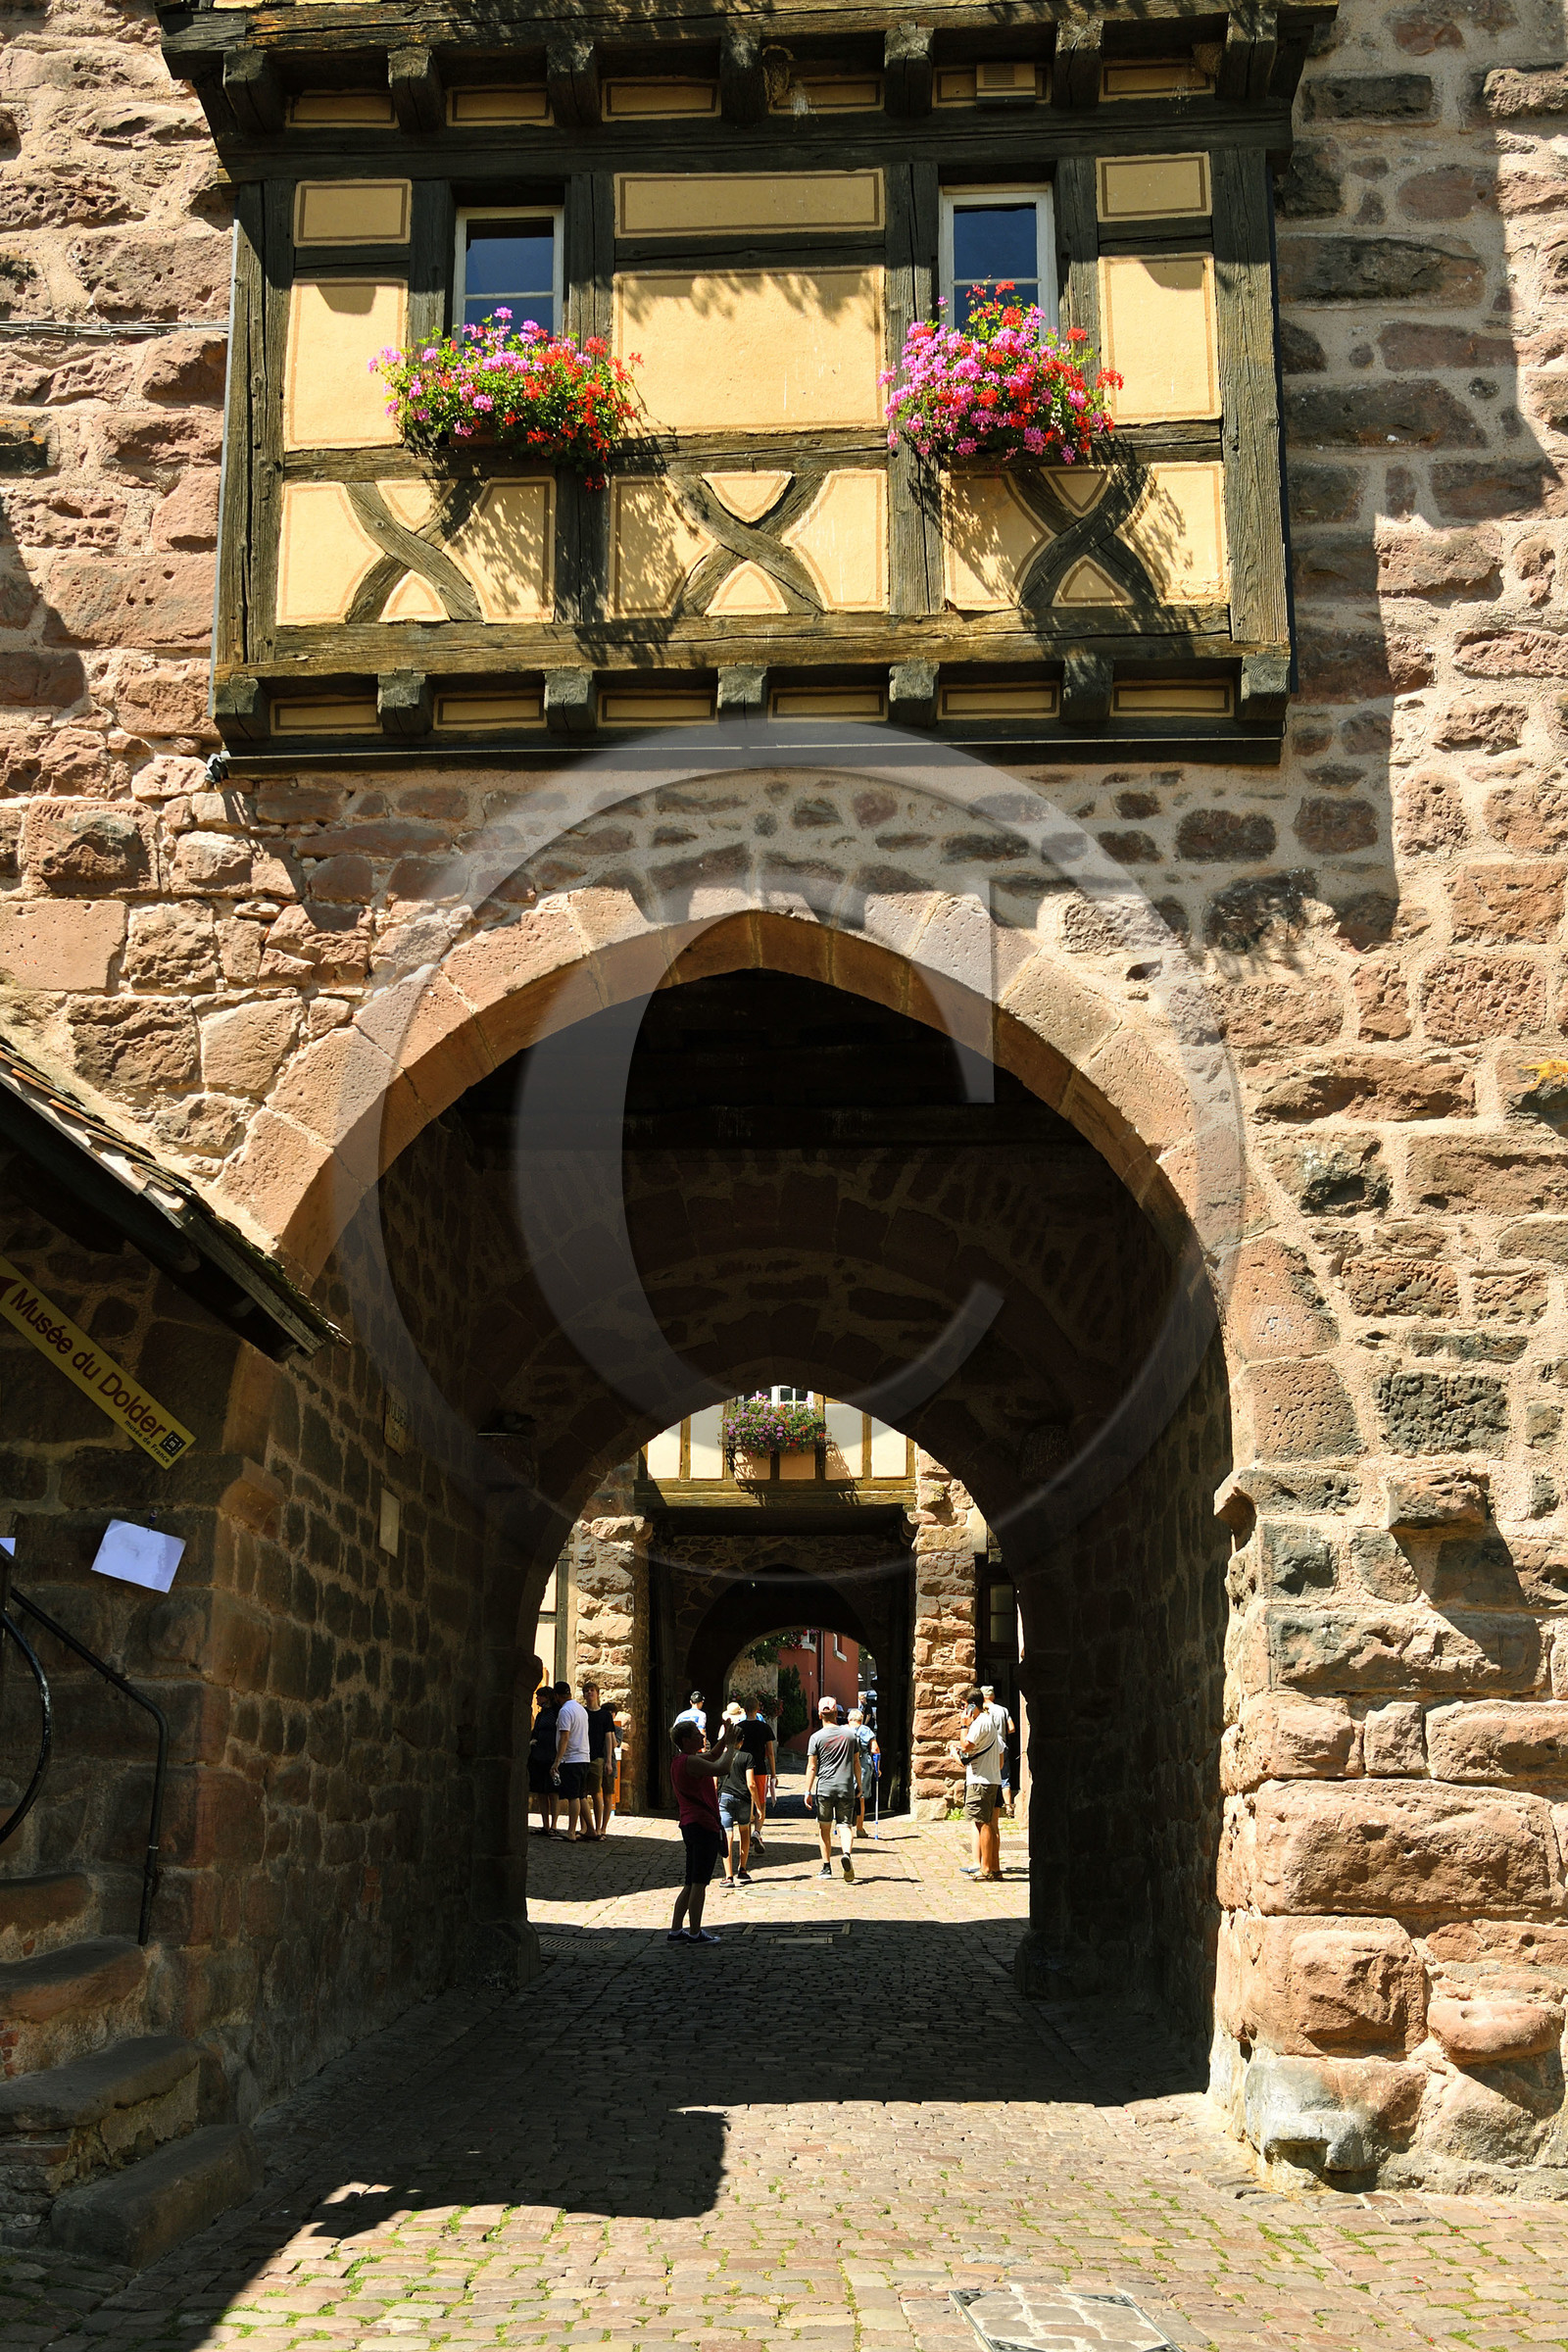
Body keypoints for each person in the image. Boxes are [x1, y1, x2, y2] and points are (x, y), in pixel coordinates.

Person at [667, 1714, 739, 1944]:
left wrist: (725, 1739)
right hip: (702, 1825)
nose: (702, 1737)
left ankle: (676, 1930)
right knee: (699, 1882)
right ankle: (696, 1932)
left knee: (690, 1881)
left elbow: (713, 1755)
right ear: (687, 1740)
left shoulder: (681, 1761)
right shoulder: (692, 1762)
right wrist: (731, 1746)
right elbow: (722, 1767)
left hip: (690, 1824)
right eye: (697, 1735)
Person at [805, 1692, 861, 1883]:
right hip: (846, 1787)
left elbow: (812, 1766)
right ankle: (846, 1854)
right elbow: (856, 1763)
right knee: (846, 1826)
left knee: (824, 1828)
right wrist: (859, 1785)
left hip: (825, 1788)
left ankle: (827, 1867)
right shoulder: (850, 1735)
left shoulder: (816, 1737)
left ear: (820, 1715)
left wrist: (807, 1790)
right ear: (837, 1713)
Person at [952, 1689, 1004, 1882]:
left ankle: (986, 1868)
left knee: (983, 1824)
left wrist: (963, 1726)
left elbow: (966, 1746)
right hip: (989, 1778)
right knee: (988, 1823)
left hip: (981, 1780)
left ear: (972, 1705)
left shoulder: (979, 1722)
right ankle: (993, 1868)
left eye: (963, 1705)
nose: (961, 1710)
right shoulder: (986, 1722)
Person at [717, 1701, 756, 1886]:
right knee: (744, 1832)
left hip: (725, 1797)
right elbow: (751, 1783)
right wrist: (757, 1805)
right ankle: (743, 1869)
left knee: (727, 1835)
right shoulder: (747, 1757)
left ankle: (728, 1876)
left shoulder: (722, 1756)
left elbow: (715, 1779)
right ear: (742, 1741)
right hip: (743, 1798)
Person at [552, 1677, 592, 1841]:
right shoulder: (580, 1709)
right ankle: (591, 1830)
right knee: (581, 1795)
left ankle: (571, 1832)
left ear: (557, 1695)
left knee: (573, 1796)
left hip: (571, 1758)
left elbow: (564, 1737)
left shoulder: (565, 1711)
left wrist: (557, 1761)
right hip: (584, 1757)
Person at [582, 1679, 618, 1839]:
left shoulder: (604, 1716)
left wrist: (609, 1761)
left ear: (597, 1693)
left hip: (597, 1757)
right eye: (586, 1690)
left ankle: (598, 1828)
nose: (589, 1692)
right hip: (581, 1756)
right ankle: (584, 1827)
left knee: (596, 1793)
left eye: (592, 1690)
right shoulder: (581, 1713)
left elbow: (609, 1738)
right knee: (581, 1794)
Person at [739, 1702, 776, 1853]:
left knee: (745, 1803)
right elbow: (771, 1752)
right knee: (761, 1803)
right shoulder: (764, 1727)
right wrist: (773, 1773)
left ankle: (747, 1837)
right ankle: (757, 1832)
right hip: (760, 1769)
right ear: (757, 1710)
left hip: (742, 1769)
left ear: (745, 1710)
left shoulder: (739, 1727)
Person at [528, 1682, 562, 1836]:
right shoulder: (541, 1715)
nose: (537, 1699)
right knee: (541, 1792)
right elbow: (535, 1732)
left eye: (539, 1696)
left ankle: (554, 1825)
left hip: (551, 1755)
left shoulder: (557, 1712)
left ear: (546, 1697)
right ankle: (545, 1825)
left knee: (553, 1792)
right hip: (539, 1755)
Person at [981, 1681, 1016, 1818]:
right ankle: (1008, 1807)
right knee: (1004, 1777)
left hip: (987, 1746)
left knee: (987, 1775)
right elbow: (1012, 1728)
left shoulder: (982, 1710)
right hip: (1002, 1745)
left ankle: (989, 1806)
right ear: (993, 1696)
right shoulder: (1003, 1710)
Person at [848, 1705, 879, 1834]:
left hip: (845, 1765)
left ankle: (844, 1826)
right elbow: (875, 1750)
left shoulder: (843, 1730)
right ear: (861, 1719)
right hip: (863, 1765)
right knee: (861, 1797)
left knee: (845, 1796)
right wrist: (877, 1768)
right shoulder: (866, 1730)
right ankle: (860, 1828)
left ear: (848, 1719)